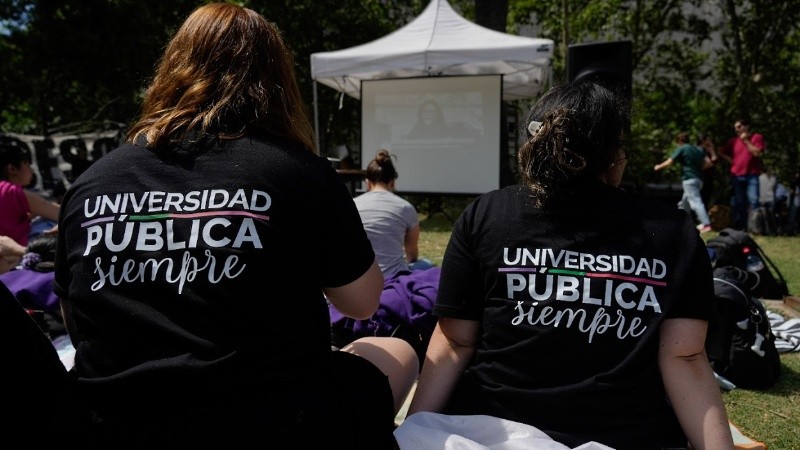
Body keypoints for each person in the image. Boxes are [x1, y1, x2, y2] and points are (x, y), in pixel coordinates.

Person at [53, 4, 418, 449]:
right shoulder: (299, 172)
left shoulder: (93, 181)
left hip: (115, 423)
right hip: (277, 425)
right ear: (278, 81)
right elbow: (362, 303)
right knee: (395, 351)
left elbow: (78, 323)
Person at [405, 81, 734, 450]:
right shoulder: (673, 231)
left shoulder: (486, 214)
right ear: (615, 154)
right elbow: (685, 356)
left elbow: (453, 343)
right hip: (624, 437)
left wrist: (417, 430)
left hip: (485, 433)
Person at [354, 149, 433, 278]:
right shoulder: (405, 207)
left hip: (359, 279)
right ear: (392, 182)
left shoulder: (353, 205)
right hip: (394, 277)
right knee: (426, 264)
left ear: (367, 183)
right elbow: (412, 254)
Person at [0, 141, 61, 263]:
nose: (31, 169)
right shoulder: (11, 192)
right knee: (48, 223)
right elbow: (59, 212)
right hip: (18, 256)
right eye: (27, 163)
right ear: (12, 169)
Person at [654, 132, 713, 233]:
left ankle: (706, 224)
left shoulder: (683, 148)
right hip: (699, 179)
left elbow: (670, 161)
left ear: (679, 141)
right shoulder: (697, 149)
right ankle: (681, 222)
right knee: (684, 203)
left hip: (689, 179)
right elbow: (708, 163)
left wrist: (658, 166)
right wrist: (697, 168)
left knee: (695, 202)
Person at [718, 118, 765, 230]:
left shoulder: (756, 137)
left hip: (752, 175)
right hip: (737, 175)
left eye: (739, 127)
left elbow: (757, 153)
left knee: (753, 200)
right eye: (735, 128)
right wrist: (730, 160)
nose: (737, 130)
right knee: (739, 202)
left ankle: (755, 227)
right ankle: (741, 227)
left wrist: (746, 141)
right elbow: (720, 151)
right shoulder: (733, 141)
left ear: (746, 126)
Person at [697, 133, 718, 206]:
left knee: (706, 198)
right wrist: (712, 150)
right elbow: (711, 161)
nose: (710, 141)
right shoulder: (700, 150)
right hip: (702, 177)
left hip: (708, 177)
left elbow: (714, 160)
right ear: (704, 141)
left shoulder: (707, 150)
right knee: (701, 198)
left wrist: (711, 150)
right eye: (708, 140)